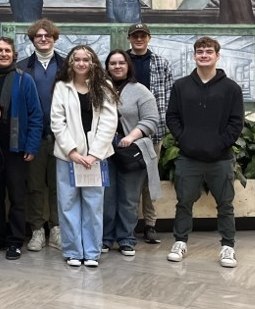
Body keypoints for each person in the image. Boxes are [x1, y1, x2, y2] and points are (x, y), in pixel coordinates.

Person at [166, 37, 244, 268]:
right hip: (189, 157)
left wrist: (220, 143)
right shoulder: (181, 86)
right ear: (194, 56)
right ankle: (180, 242)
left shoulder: (231, 88)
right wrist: (185, 139)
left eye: (209, 51)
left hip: (220, 158)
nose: (204, 55)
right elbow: (172, 117)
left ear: (217, 56)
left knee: (226, 204)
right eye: (200, 51)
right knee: (184, 202)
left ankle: (227, 247)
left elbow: (236, 122)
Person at [50, 45, 118, 267]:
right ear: (70, 63)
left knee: (93, 204)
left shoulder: (104, 86)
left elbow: (109, 123)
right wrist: (72, 151)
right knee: (67, 204)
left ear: (93, 63)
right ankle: (72, 251)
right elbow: (57, 121)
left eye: (85, 60)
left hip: (95, 159)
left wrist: (94, 154)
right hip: (67, 157)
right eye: (76, 59)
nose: (81, 63)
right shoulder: (61, 87)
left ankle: (91, 252)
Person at [0, 37, 43, 261]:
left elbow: (36, 115)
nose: (3, 54)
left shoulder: (24, 80)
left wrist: (32, 145)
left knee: (18, 196)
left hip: (16, 149)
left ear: (14, 54)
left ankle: (16, 240)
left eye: (7, 51)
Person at [102, 50, 160, 257]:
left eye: (121, 63)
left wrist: (131, 137)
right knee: (107, 197)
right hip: (104, 150)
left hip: (131, 149)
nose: (117, 67)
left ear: (128, 66)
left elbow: (152, 120)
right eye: (113, 63)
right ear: (107, 67)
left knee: (129, 197)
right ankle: (106, 238)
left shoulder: (140, 91)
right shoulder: (100, 89)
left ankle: (126, 239)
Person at [17, 18, 64, 252]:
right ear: (33, 40)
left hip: (62, 138)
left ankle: (56, 229)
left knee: (58, 185)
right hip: (34, 139)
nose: (43, 39)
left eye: (48, 36)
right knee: (35, 186)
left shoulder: (67, 66)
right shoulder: (22, 67)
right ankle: (37, 230)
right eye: (39, 36)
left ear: (55, 38)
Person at [125, 23, 172, 244]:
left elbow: (169, 97)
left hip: (152, 133)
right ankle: (128, 226)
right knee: (129, 181)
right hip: (125, 134)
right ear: (129, 38)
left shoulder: (161, 63)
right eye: (135, 36)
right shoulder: (120, 63)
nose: (139, 39)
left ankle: (150, 224)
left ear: (149, 38)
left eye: (143, 36)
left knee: (149, 180)